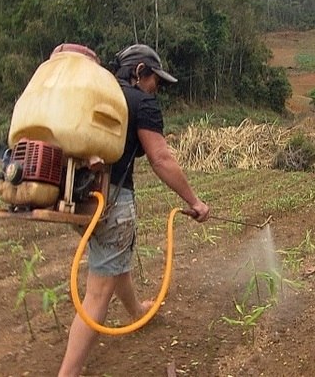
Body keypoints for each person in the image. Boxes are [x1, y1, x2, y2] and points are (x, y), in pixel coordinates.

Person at [58, 44, 210, 376]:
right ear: (139, 72)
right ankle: (67, 373)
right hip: (111, 201)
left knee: (115, 259)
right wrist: (193, 201)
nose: (157, 88)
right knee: (97, 295)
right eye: (155, 79)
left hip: (79, 196)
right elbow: (161, 158)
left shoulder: (101, 94)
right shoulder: (142, 103)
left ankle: (135, 311)